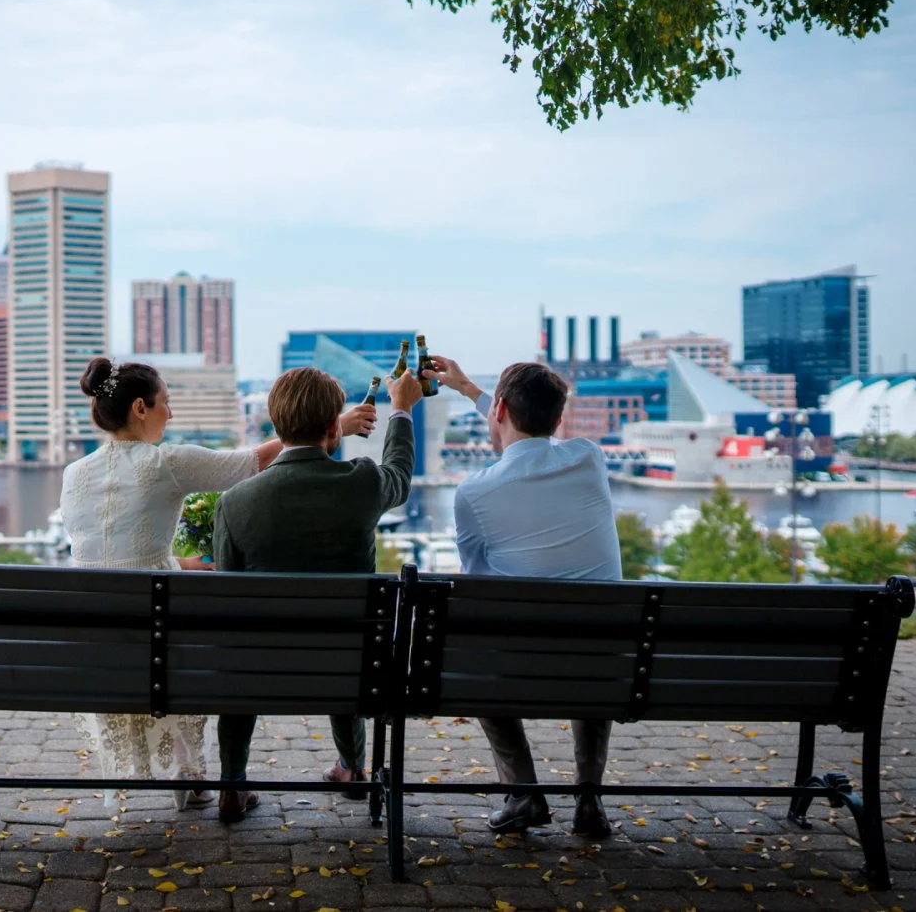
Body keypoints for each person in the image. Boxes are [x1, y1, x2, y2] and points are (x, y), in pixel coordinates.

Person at [60, 356, 376, 811]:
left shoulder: (74, 474)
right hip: (155, 637)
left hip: (92, 643)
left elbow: (104, 554)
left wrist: (174, 562)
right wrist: (334, 427)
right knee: (195, 644)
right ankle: (193, 777)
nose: (172, 412)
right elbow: (252, 464)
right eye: (165, 402)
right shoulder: (165, 462)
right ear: (140, 409)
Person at [422, 354, 622, 839]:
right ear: (559, 420)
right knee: (595, 634)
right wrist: (472, 390)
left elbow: (475, 584)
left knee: (473, 647)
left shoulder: (474, 492)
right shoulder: (589, 458)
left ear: (500, 411)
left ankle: (524, 792)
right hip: (609, 666)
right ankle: (589, 799)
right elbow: (524, 428)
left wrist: (475, 392)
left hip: (520, 667)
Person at [210, 366, 421, 823]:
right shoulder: (362, 482)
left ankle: (231, 784)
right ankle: (351, 767)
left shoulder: (234, 502)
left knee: (237, 647)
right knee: (351, 642)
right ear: (332, 429)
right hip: (349, 665)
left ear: (276, 426)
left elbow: (226, 597)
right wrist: (400, 409)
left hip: (256, 665)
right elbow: (400, 475)